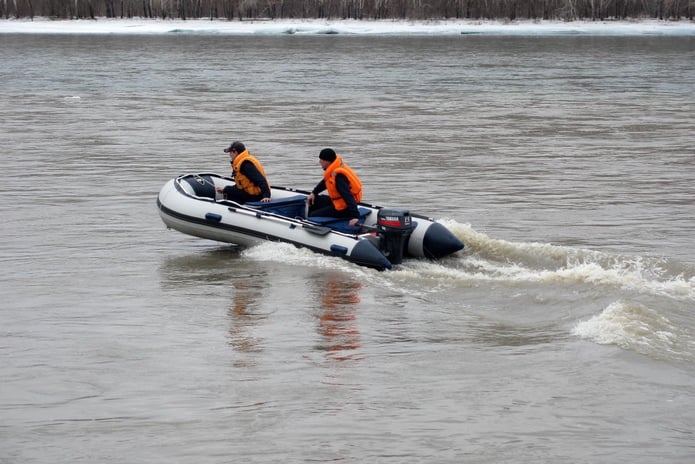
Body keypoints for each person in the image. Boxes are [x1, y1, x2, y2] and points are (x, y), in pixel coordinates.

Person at [307, 148, 363, 227]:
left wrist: (355, 216)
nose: (319, 162)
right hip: (338, 202)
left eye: (321, 160)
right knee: (315, 200)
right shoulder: (334, 169)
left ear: (327, 161)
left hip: (343, 208)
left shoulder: (339, 177)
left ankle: (313, 225)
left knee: (314, 215)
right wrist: (314, 193)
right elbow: (325, 182)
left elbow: (348, 196)